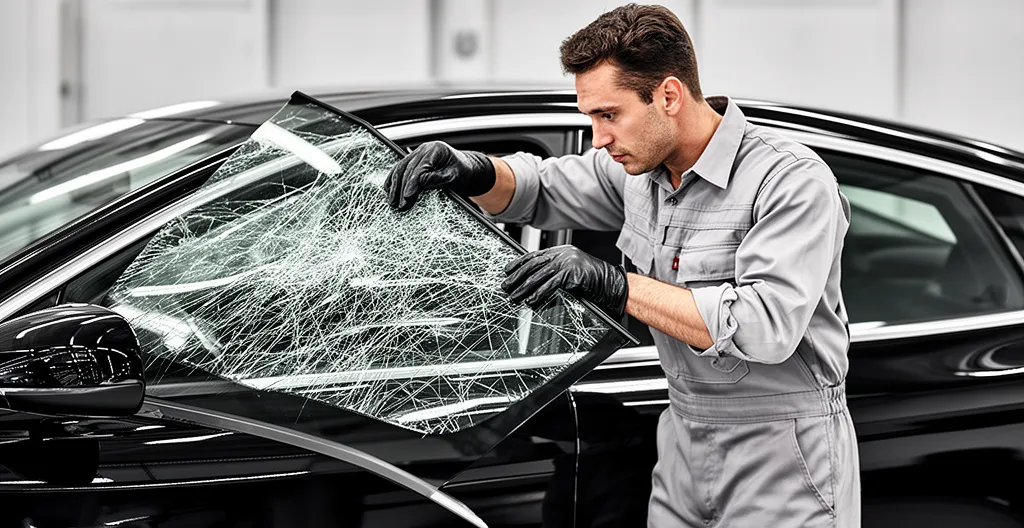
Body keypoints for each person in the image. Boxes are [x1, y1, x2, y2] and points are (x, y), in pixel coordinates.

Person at [384, 3, 859, 527]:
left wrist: (613, 284)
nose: (599, 138)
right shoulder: (640, 174)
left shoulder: (789, 181)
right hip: (682, 441)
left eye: (608, 115)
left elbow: (764, 327)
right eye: (591, 117)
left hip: (784, 451)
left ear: (668, 96)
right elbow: (543, 188)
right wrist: (472, 170)